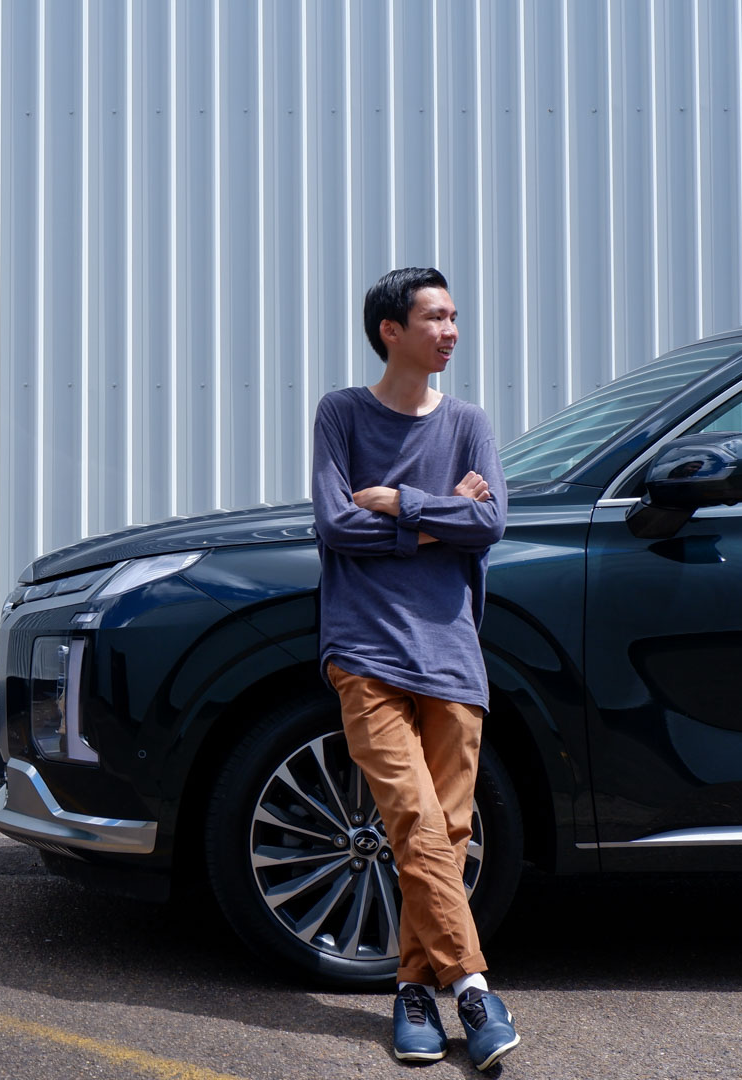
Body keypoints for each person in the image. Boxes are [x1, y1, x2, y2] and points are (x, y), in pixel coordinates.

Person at [310, 267, 518, 1071]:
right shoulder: (342, 413)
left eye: (455, 316)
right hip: (365, 650)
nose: (452, 331)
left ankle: (413, 994)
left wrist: (399, 506)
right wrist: (442, 517)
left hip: (452, 653)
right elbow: (333, 523)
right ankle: (474, 987)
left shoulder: (468, 421)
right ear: (390, 330)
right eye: (436, 317)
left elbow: (493, 520)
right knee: (416, 822)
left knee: (449, 832)